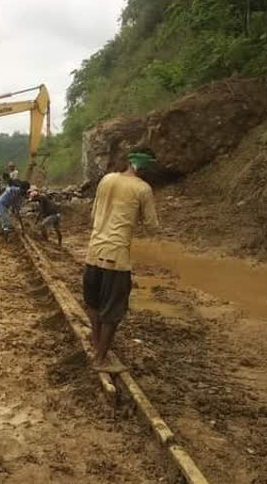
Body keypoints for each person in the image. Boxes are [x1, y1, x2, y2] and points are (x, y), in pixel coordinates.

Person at [83, 153, 159, 372]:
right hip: (116, 258)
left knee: (95, 304)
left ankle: (96, 346)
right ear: (143, 169)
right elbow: (152, 225)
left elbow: (93, 215)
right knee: (113, 311)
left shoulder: (107, 179)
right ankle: (100, 360)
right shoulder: (143, 188)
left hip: (93, 251)